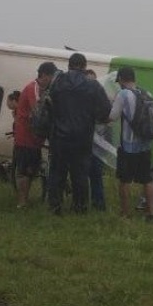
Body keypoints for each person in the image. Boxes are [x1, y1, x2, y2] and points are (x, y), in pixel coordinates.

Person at [48, 53, 111, 215]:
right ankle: (80, 208)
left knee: (57, 173)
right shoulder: (93, 85)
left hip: (59, 136)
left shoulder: (57, 83)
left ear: (69, 65)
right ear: (84, 66)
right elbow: (105, 111)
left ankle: (55, 207)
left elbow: (49, 106)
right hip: (82, 136)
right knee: (80, 174)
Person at [109, 67, 153, 222]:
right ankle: (151, 213)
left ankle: (125, 213)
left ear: (122, 79)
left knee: (125, 180)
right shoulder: (147, 93)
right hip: (146, 144)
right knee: (147, 179)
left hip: (128, 146)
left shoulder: (123, 94)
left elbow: (113, 116)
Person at [14, 62, 57, 208]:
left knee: (32, 170)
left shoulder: (45, 89)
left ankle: (26, 199)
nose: (53, 80)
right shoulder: (33, 88)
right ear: (44, 75)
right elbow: (37, 111)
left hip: (35, 138)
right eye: (52, 76)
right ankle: (22, 202)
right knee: (25, 171)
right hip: (26, 136)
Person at [85, 68, 106, 211]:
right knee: (82, 175)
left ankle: (98, 204)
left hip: (96, 145)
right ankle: (83, 202)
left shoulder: (100, 97)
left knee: (96, 175)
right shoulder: (80, 97)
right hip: (84, 143)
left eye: (93, 80)